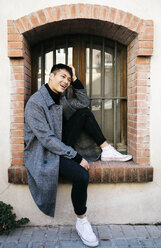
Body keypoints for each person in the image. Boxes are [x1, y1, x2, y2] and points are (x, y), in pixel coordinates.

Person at [24, 64, 132, 247]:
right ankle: (82, 220)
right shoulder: (36, 103)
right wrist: (76, 157)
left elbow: (83, 103)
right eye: (62, 77)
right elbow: (47, 140)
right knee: (82, 175)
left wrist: (76, 80)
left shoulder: (61, 98)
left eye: (68, 78)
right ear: (50, 76)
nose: (65, 81)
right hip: (44, 153)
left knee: (83, 113)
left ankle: (106, 149)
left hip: (60, 144)